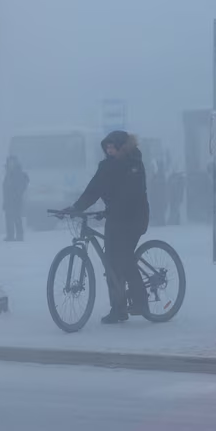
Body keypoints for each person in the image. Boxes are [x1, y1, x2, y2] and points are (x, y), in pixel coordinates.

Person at [66, 131, 149, 324]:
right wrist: (76, 207)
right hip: (115, 218)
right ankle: (118, 309)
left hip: (134, 218)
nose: (109, 151)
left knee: (124, 258)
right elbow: (94, 189)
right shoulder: (105, 167)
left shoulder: (134, 164)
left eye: (112, 147)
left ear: (122, 147)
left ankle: (140, 301)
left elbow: (133, 193)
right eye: (107, 148)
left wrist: (112, 209)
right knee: (110, 262)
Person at [3, 156, 29, 241]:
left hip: (16, 200)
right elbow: (5, 189)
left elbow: (21, 186)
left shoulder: (18, 173)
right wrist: (5, 201)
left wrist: (16, 195)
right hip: (8, 200)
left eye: (11, 162)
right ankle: (10, 235)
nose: (10, 164)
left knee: (16, 218)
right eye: (9, 162)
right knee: (8, 218)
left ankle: (19, 236)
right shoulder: (8, 174)